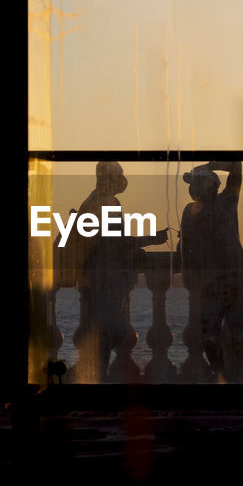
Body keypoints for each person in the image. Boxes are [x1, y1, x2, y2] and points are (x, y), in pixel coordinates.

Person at [65, 161, 168, 381]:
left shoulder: (91, 202)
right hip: (105, 280)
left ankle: (93, 378)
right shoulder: (106, 203)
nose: (122, 180)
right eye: (118, 175)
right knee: (108, 334)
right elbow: (116, 243)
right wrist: (150, 240)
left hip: (95, 279)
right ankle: (96, 381)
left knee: (103, 335)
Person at [177, 160, 243, 381]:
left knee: (228, 331)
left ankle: (227, 372)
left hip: (226, 278)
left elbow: (236, 166)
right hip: (221, 279)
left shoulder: (225, 202)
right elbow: (187, 246)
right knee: (213, 332)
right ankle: (225, 372)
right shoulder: (217, 204)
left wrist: (209, 165)